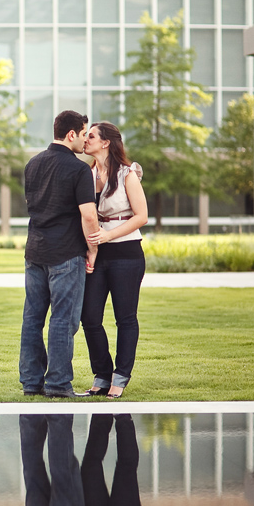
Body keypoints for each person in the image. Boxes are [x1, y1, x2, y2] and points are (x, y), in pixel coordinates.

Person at [20, 110, 100, 398]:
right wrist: (93, 249)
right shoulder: (78, 170)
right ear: (71, 134)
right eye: (83, 134)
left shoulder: (33, 164)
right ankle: (57, 383)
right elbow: (89, 216)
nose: (84, 139)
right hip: (66, 254)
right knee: (63, 320)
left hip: (35, 252)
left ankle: (31, 382)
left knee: (33, 317)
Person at [81, 122, 149, 398]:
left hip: (126, 252)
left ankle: (120, 376)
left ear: (106, 142)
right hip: (98, 252)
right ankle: (102, 373)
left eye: (91, 136)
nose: (86, 140)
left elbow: (141, 216)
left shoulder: (127, 175)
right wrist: (93, 246)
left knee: (125, 317)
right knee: (89, 317)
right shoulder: (88, 173)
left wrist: (108, 237)